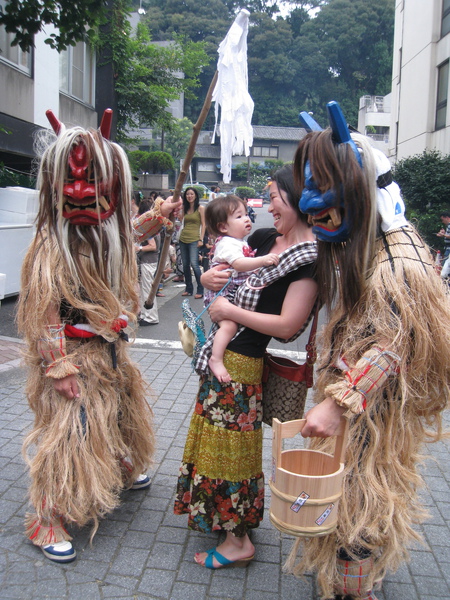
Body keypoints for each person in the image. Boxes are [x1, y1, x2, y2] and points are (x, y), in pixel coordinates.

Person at [286, 103, 450, 600]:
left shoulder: (396, 264)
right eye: (307, 187)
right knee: (352, 506)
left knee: (360, 513)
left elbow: (394, 343)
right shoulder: (373, 247)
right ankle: (347, 586)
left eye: (323, 185)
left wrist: (338, 404)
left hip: (370, 422)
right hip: (362, 418)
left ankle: (355, 593)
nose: (310, 201)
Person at [17, 109, 181, 563]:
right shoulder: (51, 244)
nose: (81, 192)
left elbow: (127, 233)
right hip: (73, 353)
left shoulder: (103, 235)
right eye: (71, 184)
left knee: (122, 414)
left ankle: (121, 468)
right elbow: (42, 311)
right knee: (68, 433)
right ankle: (45, 518)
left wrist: (159, 215)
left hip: (109, 351)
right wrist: (57, 367)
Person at [174, 165, 318, 569]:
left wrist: (229, 310)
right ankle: (229, 522)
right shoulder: (265, 239)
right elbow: (223, 270)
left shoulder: (308, 259)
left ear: (297, 199)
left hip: (242, 364)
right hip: (228, 360)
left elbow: (288, 327)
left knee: (231, 451)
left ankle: (238, 542)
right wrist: (207, 278)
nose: (266, 207)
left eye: (274, 197)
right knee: (221, 445)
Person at [203, 194, 279, 382]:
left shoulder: (240, 242)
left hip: (229, 290)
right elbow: (238, 264)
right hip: (222, 292)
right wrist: (262, 260)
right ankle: (216, 358)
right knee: (229, 325)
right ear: (223, 227)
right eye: (239, 216)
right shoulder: (227, 243)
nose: (246, 218)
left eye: (246, 214)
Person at [179, 186, 206, 299]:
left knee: (195, 265)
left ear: (195, 196)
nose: (189, 196)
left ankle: (200, 289)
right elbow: (180, 220)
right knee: (185, 265)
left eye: (192, 194)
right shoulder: (184, 208)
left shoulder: (200, 208)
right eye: (187, 194)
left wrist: (201, 239)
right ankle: (188, 288)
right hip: (183, 238)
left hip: (194, 239)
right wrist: (180, 207)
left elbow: (204, 224)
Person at [137, 200, 160, 325]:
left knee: (147, 289)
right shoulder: (155, 224)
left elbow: (153, 246)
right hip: (151, 261)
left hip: (148, 260)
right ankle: (146, 315)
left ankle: (150, 317)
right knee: (147, 288)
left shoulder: (148, 227)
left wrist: (139, 248)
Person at [436, 211, 450, 279]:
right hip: (447, 248)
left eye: (443, 219)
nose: (442, 221)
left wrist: (444, 235)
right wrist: (444, 234)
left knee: (445, 266)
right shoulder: (448, 226)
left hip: (449, 249)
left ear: (447, 218)